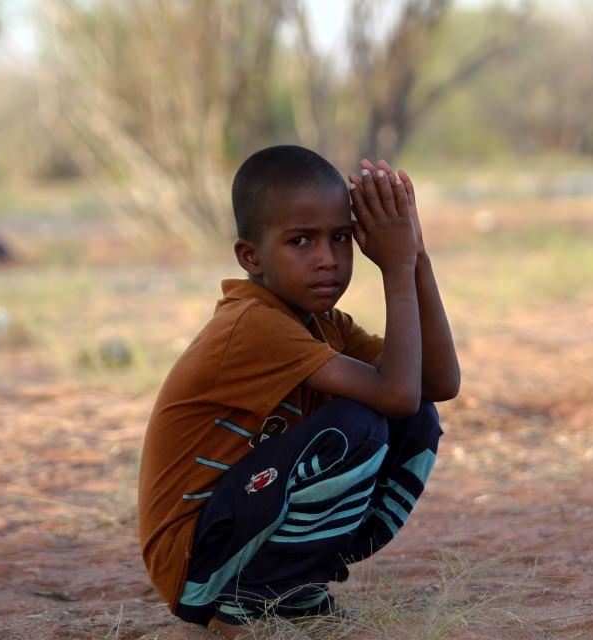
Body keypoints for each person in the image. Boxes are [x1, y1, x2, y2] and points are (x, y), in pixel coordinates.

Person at [137, 145, 460, 638]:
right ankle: (250, 604)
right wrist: (396, 269)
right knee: (359, 425)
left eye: (341, 238)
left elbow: (436, 385)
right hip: (194, 564)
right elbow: (395, 394)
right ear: (250, 257)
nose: (327, 260)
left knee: (416, 419)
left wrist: (415, 255)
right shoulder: (252, 325)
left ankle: (293, 590)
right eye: (301, 241)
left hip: (239, 529)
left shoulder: (323, 324)